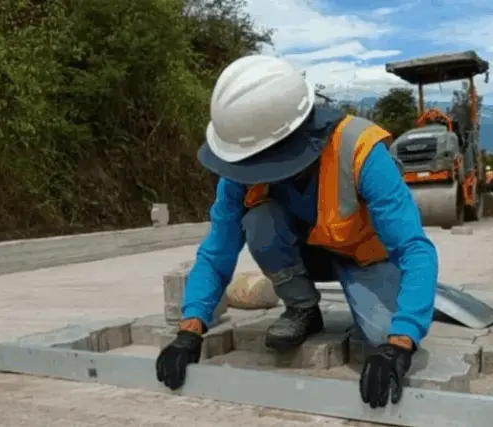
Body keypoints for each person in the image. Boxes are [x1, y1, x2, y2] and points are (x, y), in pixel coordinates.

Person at [155, 55, 439, 408]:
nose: (250, 171)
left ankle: (394, 312)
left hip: (364, 259)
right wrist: (190, 329)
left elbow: (415, 249)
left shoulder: (359, 150)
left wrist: (400, 342)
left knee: (383, 334)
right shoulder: (241, 172)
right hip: (304, 255)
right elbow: (216, 254)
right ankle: (303, 307)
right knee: (260, 220)